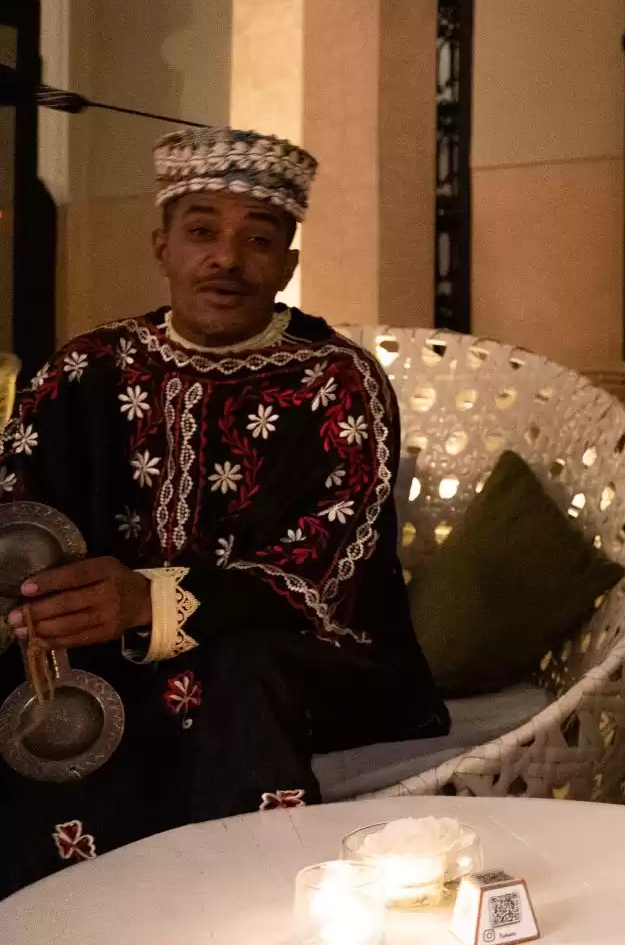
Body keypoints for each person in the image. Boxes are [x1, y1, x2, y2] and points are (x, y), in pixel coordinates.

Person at [0, 127, 448, 897]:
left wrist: (151, 600)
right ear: (162, 246)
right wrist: (43, 608)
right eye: (202, 231)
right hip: (103, 655)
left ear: (288, 266)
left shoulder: (336, 382)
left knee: (236, 670)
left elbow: (323, 579)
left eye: (259, 240)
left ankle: (245, 907)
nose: (227, 259)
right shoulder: (85, 370)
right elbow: (18, 516)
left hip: (312, 663)